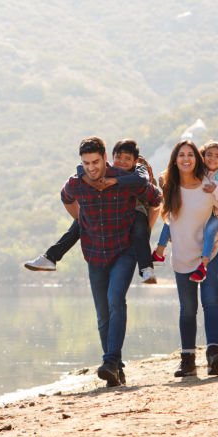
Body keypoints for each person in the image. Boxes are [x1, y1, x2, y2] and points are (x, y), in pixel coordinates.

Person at [60, 137, 162, 387]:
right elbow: (65, 197)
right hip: (94, 253)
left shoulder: (123, 177)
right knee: (102, 314)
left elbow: (156, 197)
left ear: (105, 157)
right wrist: (82, 221)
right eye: (86, 163)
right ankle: (115, 369)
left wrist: (144, 226)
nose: (91, 168)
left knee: (116, 299)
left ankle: (111, 361)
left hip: (123, 251)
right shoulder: (77, 182)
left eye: (96, 162)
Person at [24, 140, 159, 284]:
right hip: (114, 213)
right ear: (111, 157)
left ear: (135, 161)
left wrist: (113, 181)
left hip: (136, 208)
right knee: (80, 222)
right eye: (118, 157)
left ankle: (146, 268)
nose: (122, 162)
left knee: (139, 228)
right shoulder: (105, 170)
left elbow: (142, 181)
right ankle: (50, 257)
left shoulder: (138, 169)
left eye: (127, 159)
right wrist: (85, 180)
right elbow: (79, 168)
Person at [160, 139, 218, 378]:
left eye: (191, 155)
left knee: (210, 301)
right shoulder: (170, 188)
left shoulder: (209, 186)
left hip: (211, 255)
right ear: (175, 160)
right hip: (182, 258)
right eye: (181, 155)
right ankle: (188, 361)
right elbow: (166, 221)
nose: (186, 158)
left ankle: (214, 355)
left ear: (197, 159)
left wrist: (215, 240)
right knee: (187, 309)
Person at [152, 140, 218, 282]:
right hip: (202, 219)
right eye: (209, 155)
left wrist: (215, 190)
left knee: (209, 233)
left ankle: (203, 265)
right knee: (169, 220)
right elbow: (181, 173)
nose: (212, 158)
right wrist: (163, 180)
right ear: (202, 157)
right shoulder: (202, 172)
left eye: (217, 156)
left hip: (217, 213)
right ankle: (159, 251)